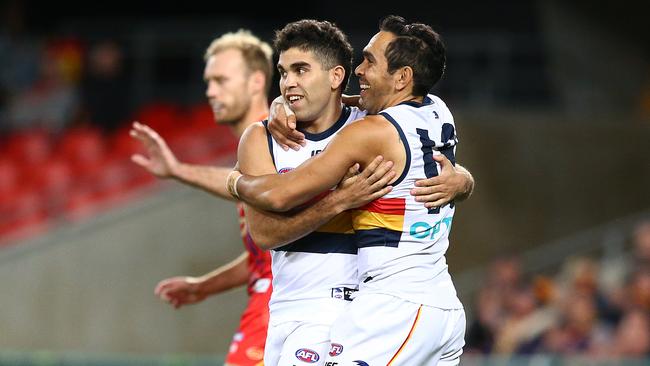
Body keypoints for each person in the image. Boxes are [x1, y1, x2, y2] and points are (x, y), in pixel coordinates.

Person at [229, 15, 467, 365]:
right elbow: (263, 234)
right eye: (283, 73)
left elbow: (279, 196)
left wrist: (233, 181)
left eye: (301, 70)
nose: (361, 69)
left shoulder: (365, 130)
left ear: (334, 76)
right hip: (293, 306)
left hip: (370, 306)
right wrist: (339, 201)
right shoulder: (434, 110)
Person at [130, 29, 276, 366]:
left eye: (221, 80)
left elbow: (256, 187)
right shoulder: (257, 143)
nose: (210, 91)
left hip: (279, 304)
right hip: (271, 300)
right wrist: (203, 286)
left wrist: (178, 169)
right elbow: (265, 257)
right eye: (208, 81)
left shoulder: (275, 138)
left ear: (256, 82)